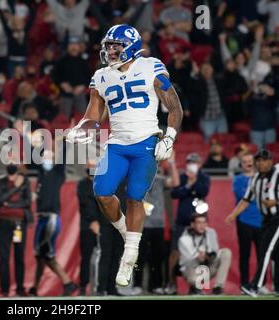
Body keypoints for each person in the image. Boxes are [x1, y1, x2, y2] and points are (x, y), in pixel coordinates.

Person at [66, 24, 183, 288]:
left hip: (145, 142)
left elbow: (175, 106)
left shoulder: (151, 66)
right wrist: (80, 128)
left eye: (115, 45)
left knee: (134, 196)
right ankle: (127, 233)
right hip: (116, 144)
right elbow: (93, 117)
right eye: (108, 45)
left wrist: (170, 136)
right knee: (102, 191)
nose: (110, 50)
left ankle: (129, 255)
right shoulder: (101, 77)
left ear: (129, 45)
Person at [226, 149, 279, 296]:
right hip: (266, 220)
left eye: (264, 160)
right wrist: (233, 214)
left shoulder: (277, 173)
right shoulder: (255, 179)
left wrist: (276, 201)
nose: (261, 163)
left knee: (266, 251)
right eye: (259, 160)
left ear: (270, 161)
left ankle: (255, 285)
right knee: (275, 254)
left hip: (277, 219)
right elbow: (246, 200)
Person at [29, 149, 78, 296]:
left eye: (49, 156)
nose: (46, 158)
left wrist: (66, 141)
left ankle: (68, 283)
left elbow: (63, 156)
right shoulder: (41, 175)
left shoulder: (58, 174)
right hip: (41, 219)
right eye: (44, 156)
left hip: (51, 218)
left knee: (47, 255)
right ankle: (35, 288)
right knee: (39, 255)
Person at [132, 155, 180, 295]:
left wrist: (172, 162)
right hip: (141, 224)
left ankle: (156, 285)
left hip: (158, 225)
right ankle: (137, 285)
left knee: (157, 257)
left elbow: (176, 182)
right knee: (139, 257)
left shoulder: (159, 180)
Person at [167, 152, 210, 294]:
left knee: (199, 252)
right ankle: (171, 284)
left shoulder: (204, 178)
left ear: (200, 163)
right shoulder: (182, 177)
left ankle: (197, 286)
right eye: (190, 162)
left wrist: (194, 182)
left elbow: (203, 191)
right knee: (175, 253)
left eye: (195, 162)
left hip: (199, 223)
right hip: (182, 222)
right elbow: (174, 194)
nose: (192, 164)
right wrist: (188, 185)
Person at [0, 164, 32, 297]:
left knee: (19, 257)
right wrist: (16, 187)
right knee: (4, 258)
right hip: (4, 223)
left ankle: (20, 288)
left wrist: (9, 204)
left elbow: (27, 202)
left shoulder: (25, 181)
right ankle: (4, 290)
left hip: (19, 223)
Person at [179, 211, 232, 295]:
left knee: (226, 252)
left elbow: (214, 251)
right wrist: (199, 256)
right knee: (195, 279)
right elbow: (189, 259)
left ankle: (218, 287)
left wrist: (206, 256)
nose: (202, 226)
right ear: (192, 224)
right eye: (199, 223)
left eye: (204, 222)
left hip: (207, 267)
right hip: (192, 270)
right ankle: (195, 288)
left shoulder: (210, 232)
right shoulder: (184, 238)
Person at [231, 153, 262, 288]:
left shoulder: (262, 178)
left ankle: (260, 284)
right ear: (241, 165)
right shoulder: (237, 180)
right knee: (245, 254)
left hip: (262, 222)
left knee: (262, 255)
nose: (248, 163)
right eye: (245, 162)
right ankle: (244, 284)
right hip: (244, 221)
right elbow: (245, 197)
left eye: (250, 161)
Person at [77, 165, 100, 295]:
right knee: (86, 257)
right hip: (87, 226)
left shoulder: (102, 183)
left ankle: (101, 285)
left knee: (104, 256)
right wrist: (93, 221)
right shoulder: (82, 185)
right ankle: (83, 286)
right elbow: (85, 203)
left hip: (103, 225)